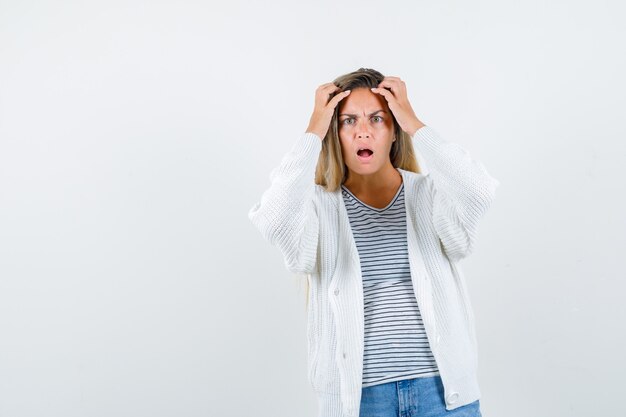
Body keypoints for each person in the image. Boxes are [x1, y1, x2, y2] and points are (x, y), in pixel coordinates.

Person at [248, 68, 499, 417]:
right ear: (334, 134)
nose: (363, 130)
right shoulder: (319, 208)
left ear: (394, 130)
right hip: (361, 403)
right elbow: (274, 219)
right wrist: (312, 132)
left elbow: (478, 190)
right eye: (348, 120)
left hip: (444, 397)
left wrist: (414, 122)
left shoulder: (428, 196)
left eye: (377, 119)